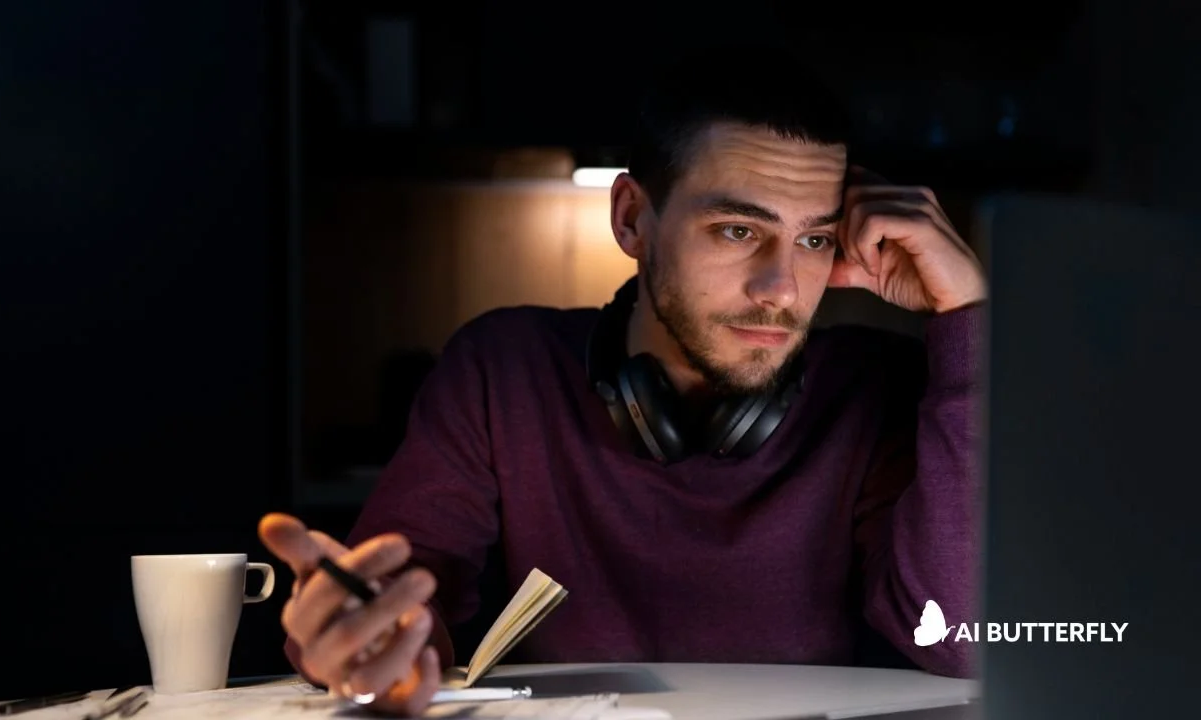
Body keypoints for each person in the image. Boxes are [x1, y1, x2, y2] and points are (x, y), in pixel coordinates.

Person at [259, 46, 985, 716]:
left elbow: (960, 639)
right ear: (634, 218)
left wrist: (968, 321)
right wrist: (365, 638)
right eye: (738, 230)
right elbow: (402, 608)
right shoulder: (501, 368)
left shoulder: (876, 387)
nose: (782, 289)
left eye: (814, 240)